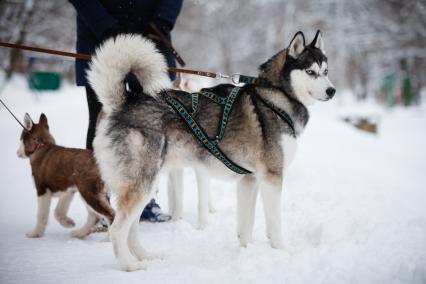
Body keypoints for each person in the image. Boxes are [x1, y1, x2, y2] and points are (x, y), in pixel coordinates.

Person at [69, 0, 184, 222]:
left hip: (151, 38)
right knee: (101, 124)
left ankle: (144, 199)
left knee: (151, 127)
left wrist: (161, 22)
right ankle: (100, 201)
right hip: (99, 39)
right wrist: (106, 27)